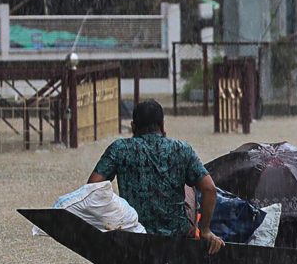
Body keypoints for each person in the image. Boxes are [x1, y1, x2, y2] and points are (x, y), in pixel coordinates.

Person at [87, 100, 224, 254]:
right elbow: (209, 189)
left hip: (134, 234)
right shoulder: (182, 149)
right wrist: (204, 229)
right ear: (163, 125)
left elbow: (93, 188)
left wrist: (113, 219)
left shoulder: (119, 149)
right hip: (177, 236)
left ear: (133, 126)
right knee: (189, 188)